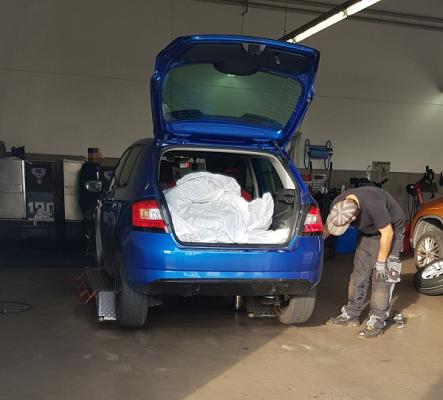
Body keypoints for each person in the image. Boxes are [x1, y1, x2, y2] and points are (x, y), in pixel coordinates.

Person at [323, 186, 405, 339]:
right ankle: (351, 315)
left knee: (381, 278)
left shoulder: (374, 205)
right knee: (358, 275)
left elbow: (387, 234)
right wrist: (315, 246)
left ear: (354, 218)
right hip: (368, 232)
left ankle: (377, 322)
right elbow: (328, 228)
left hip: (391, 231)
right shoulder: (338, 204)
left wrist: (381, 262)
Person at [79, 148, 103, 238]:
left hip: (95, 200)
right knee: (90, 221)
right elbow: (90, 184)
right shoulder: (87, 168)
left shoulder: (98, 167)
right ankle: (89, 237)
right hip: (88, 201)